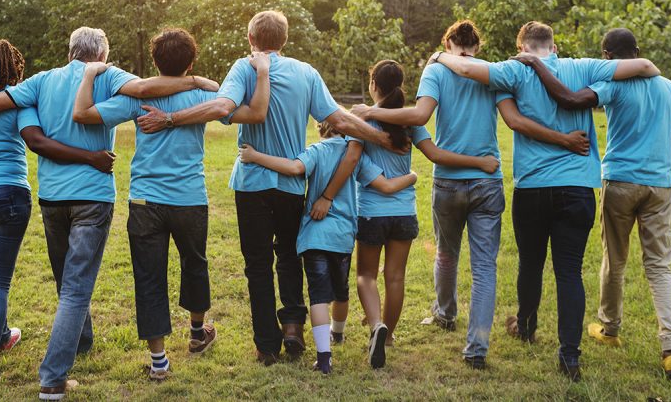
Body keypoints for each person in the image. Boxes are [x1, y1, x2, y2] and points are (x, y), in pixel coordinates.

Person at [0, 27, 219, 400]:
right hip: (92, 194)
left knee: (65, 281)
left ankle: (82, 340)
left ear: (71, 51)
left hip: (52, 197)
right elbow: (145, 90)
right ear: (102, 54)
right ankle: (53, 378)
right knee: (76, 289)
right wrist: (196, 81)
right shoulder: (108, 75)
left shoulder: (41, 81)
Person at [136, 11, 397, 365]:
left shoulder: (245, 68)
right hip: (291, 182)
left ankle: (267, 344)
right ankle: (292, 325)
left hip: (252, 182)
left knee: (257, 264)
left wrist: (169, 118)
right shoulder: (306, 73)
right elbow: (338, 119)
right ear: (284, 40)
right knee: (289, 255)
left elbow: (221, 107)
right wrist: (381, 137)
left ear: (250, 38)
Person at [351, 21, 590, 369]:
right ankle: (477, 347)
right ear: (477, 47)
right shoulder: (492, 73)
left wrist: (370, 112)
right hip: (487, 181)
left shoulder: (436, 71)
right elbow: (512, 118)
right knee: (484, 267)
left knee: (446, 255)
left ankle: (445, 314)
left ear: (447, 43)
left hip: (447, 181)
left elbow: (419, 115)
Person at [432, 21, 660, 380]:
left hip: (533, 187)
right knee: (568, 271)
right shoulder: (582, 66)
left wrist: (438, 56)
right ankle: (569, 355)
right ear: (553, 47)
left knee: (530, 263)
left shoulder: (515, 70)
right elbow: (646, 66)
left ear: (522, 47)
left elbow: (465, 66)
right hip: (578, 187)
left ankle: (525, 325)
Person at [72, 28, 272, 380]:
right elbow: (250, 112)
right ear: (191, 61)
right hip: (190, 198)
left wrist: (89, 76)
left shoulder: (138, 97)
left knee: (149, 277)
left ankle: (159, 361)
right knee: (195, 264)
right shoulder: (202, 93)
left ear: (154, 61)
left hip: (145, 200)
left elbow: (85, 114)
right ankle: (197, 333)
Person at [0, 39, 117, 393]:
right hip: (6, 197)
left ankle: (2, 335)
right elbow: (36, 140)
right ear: (15, 67)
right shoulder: (21, 99)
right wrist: (90, 156)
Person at [512, 28, 671, 381]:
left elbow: (570, 99)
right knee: (660, 267)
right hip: (660, 186)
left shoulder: (613, 85)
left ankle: (610, 328)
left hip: (621, 180)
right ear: (637, 51)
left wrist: (535, 63)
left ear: (607, 58)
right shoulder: (667, 87)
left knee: (615, 258)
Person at [328, 58, 498, 369]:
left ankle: (376, 324)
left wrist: (327, 195)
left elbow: (351, 156)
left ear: (373, 86)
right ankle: (388, 335)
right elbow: (435, 154)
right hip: (404, 213)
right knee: (395, 277)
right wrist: (480, 162)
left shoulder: (364, 120)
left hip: (371, 213)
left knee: (366, 275)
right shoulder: (410, 123)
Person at [238, 117, 417, 374]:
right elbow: (386, 185)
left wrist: (255, 156)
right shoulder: (355, 155)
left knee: (319, 297)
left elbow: (292, 168)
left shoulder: (316, 151)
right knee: (341, 292)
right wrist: (411, 176)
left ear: (322, 128)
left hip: (314, 236)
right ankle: (338, 333)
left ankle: (324, 358)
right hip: (342, 237)